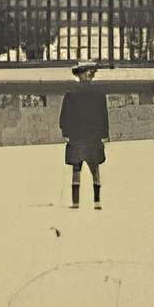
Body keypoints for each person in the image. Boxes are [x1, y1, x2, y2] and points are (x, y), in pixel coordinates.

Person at [59, 61, 111, 210]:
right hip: (87, 136)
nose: (87, 76)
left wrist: (66, 132)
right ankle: (94, 202)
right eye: (85, 73)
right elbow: (103, 115)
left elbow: (64, 116)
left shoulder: (71, 93)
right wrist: (104, 134)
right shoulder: (96, 93)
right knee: (89, 168)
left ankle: (83, 202)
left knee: (82, 168)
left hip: (81, 136)